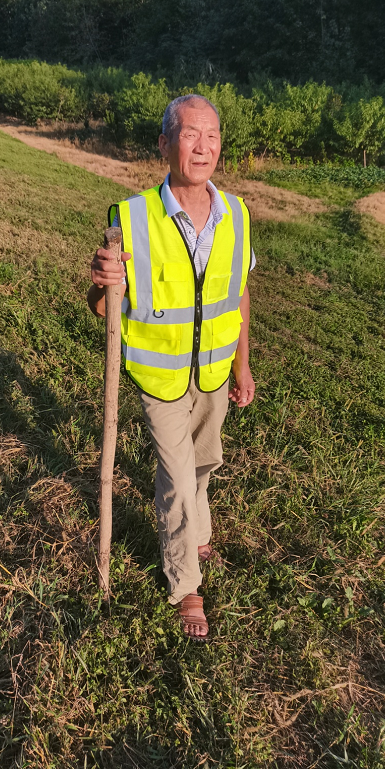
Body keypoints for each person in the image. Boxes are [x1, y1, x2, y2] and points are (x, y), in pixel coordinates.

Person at [87, 94, 255, 641]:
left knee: (205, 461)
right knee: (179, 480)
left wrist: (242, 365)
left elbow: (239, 291)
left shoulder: (237, 214)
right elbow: (101, 306)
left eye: (211, 135)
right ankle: (186, 582)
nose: (202, 146)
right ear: (164, 144)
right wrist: (103, 282)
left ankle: (197, 529)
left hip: (212, 371)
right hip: (158, 376)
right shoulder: (132, 217)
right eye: (189, 134)